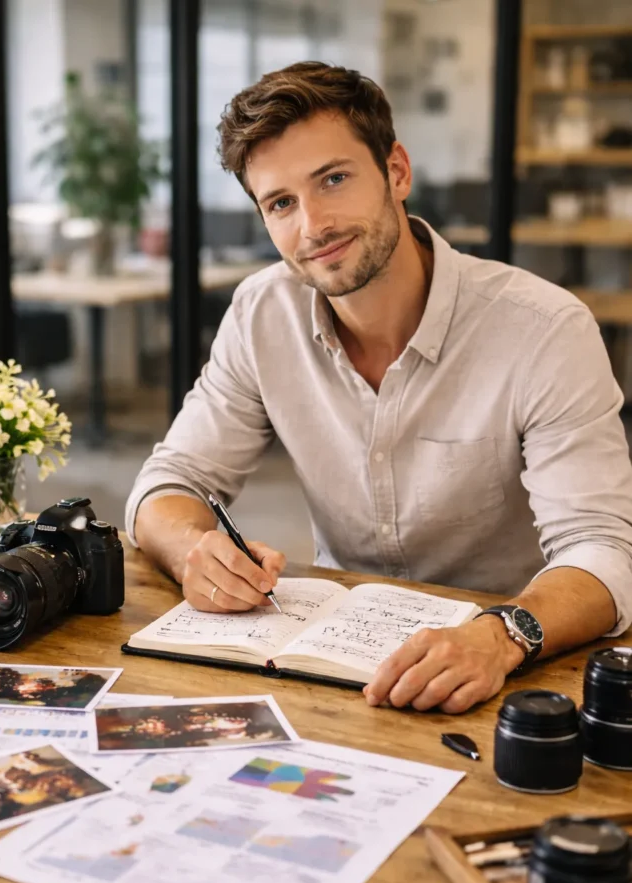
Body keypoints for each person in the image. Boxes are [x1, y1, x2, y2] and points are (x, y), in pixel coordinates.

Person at [126, 62, 632, 715]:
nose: (313, 226)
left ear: (396, 171)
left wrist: (501, 635)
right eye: (281, 203)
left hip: (506, 678)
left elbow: (604, 553)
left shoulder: (543, 330)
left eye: (333, 180)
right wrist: (192, 549)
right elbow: (168, 483)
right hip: (335, 672)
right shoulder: (261, 313)